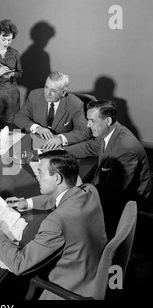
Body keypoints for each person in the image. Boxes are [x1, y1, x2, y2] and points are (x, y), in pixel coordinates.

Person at [0, 150, 107, 300]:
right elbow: (61, 198)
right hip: (94, 265)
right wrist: (27, 203)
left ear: (57, 178)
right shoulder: (89, 190)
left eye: (40, 172)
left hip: (73, 285)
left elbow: (19, 265)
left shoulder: (55, 222)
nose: (36, 176)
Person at [65, 99, 151, 235]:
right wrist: (60, 152)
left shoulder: (125, 148)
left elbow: (113, 191)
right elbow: (90, 146)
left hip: (127, 199)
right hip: (109, 186)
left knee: (73, 218)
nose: (88, 125)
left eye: (92, 121)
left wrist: (78, 191)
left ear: (108, 121)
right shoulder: (112, 131)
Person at [14, 71, 91, 149]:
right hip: (36, 142)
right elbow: (19, 117)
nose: (47, 93)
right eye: (46, 87)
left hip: (59, 148)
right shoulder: (35, 95)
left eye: (53, 90)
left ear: (63, 92)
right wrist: (37, 128)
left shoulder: (75, 104)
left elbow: (85, 131)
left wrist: (60, 139)